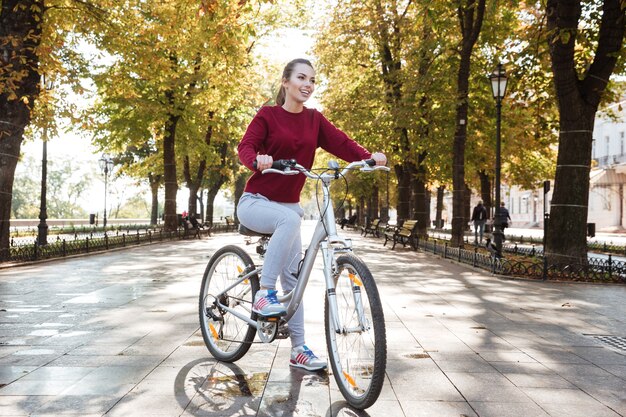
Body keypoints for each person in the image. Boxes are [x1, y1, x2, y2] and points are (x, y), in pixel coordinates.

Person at [236, 58, 387, 372]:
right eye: (301, 78)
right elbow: (245, 146)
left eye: (312, 80)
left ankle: (299, 349)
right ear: (286, 82)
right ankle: (264, 294)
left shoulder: (314, 120)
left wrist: (367, 157)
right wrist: (258, 160)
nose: (307, 84)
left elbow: (340, 142)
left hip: (288, 208)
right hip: (256, 201)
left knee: (295, 277)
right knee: (290, 221)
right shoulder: (268, 115)